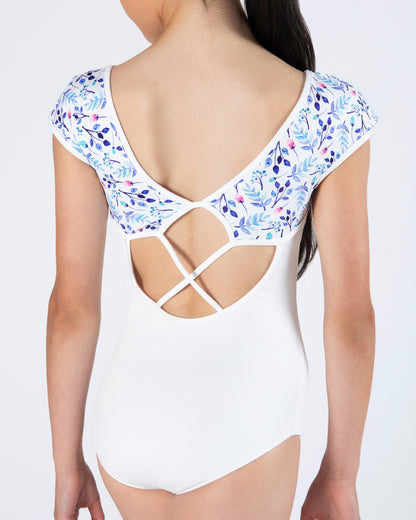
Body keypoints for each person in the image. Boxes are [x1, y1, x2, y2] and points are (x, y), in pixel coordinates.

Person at [46, 0, 379, 519]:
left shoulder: (87, 106)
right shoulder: (329, 111)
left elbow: (71, 311)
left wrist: (66, 465)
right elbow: (351, 321)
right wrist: (340, 476)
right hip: (247, 428)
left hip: (128, 425)